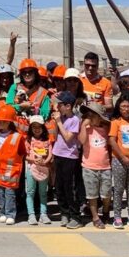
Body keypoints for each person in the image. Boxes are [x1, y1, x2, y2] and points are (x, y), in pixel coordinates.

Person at [107, 92, 129, 229]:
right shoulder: (116, 122)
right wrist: (122, 157)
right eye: (123, 106)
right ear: (119, 108)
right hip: (118, 160)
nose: (126, 109)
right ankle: (117, 216)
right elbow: (112, 140)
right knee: (119, 189)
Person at [79, 101, 112, 229]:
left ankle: (105, 211)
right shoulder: (86, 129)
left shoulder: (105, 129)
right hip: (89, 166)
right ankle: (95, 217)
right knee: (92, 195)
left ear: (99, 117)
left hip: (105, 166)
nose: (90, 118)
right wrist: (83, 125)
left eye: (92, 115)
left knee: (106, 194)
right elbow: (82, 141)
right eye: (88, 115)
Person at [51, 91, 82, 228]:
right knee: (59, 187)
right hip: (58, 154)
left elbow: (68, 138)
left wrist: (59, 122)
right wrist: (57, 121)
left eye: (60, 104)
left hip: (69, 157)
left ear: (68, 106)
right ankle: (64, 212)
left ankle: (75, 216)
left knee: (70, 187)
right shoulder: (61, 118)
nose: (58, 107)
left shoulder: (74, 120)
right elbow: (55, 135)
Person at [24, 115, 52, 225]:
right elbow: (25, 156)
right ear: (30, 128)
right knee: (30, 192)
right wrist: (33, 160)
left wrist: (45, 162)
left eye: (39, 126)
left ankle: (43, 214)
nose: (36, 129)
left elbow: (50, 154)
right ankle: (31, 215)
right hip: (31, 169)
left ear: (43, 128)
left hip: (44, 170)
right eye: (34, 127)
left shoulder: (47, 140)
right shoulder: (28, 140)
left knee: (43, 193)